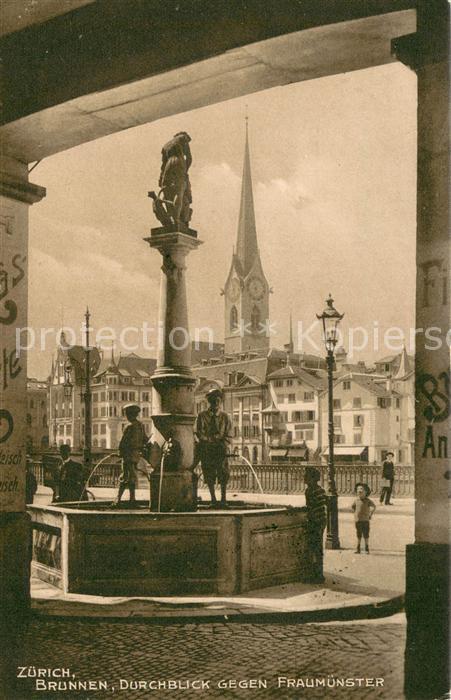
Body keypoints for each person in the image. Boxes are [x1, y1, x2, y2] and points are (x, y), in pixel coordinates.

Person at [194, 388, 232, 507]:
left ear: (220, 401)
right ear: (209, 401)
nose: (215, 402)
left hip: (221, 450)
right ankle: (213, 500)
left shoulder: (225, 417)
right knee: (209, 474)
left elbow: (229, 434)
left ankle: (223, 500)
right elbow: (199, 433)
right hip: (207, 450)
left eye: (218, 400)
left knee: (223, 474)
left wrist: (223, 444)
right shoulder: (202, 416)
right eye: (212, 400)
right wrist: (211, 441)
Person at [112, 404, 150, 507]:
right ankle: (127, 500)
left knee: (127, 477)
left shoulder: (130, 426)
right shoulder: (138, 425)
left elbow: (123, 442)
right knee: (129, 477)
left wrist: (120, 453)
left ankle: (121, 500)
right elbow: (144, 439)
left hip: (131, 455)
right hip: (132, 455)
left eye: (128, 414)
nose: (127, 416)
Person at [303, 466, 328, 583]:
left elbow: (310, 508)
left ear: (312, 478)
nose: (304, 478)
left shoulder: (309, 491)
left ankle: (314, 575)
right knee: (318, 548)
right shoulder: (320, 489)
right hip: (321, 521)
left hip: (314, 522)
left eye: (306, 476)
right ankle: (319, 574)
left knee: (313, 548)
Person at [352, 482, 376, 554]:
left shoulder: (368, 501)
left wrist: (370, 514)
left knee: (366, 534)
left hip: (365, 520)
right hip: (358, 520)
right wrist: (356, 514)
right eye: (358, 489)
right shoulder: (356, 500)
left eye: (362, 489)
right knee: (358, 534)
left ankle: (366, 547)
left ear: (366, 492)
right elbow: (353, 507)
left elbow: (373, 507)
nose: (360, 491)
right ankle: (358, 548)